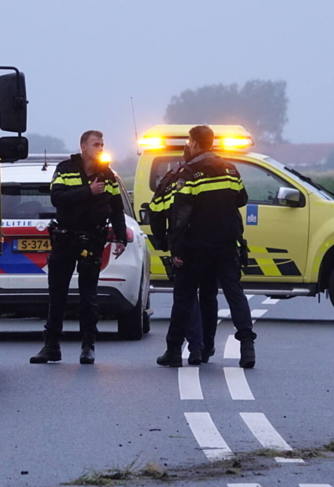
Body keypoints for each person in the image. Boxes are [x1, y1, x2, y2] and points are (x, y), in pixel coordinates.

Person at [154, 126, 256, 369]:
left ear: (194, 143)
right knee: (234, 294)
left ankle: (174, 350)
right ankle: (247, 348)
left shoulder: (189, 174)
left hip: (196, 246)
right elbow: (242, 199)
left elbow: (180, 215)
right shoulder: (230, 169)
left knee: (184, 298)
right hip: (227, 244)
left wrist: (176, 249)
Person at [30, 130, 127, 365]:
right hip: (66, 238)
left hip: (93, 239)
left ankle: (88, 346)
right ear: (83, 147)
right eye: (96, 144)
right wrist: (88, 191)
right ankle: (51, 346)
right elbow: (57, 197)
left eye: (102, 144)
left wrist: (121, 238)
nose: (100, 148)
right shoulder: (65, 169)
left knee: (88, 296)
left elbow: (117, 209)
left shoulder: (108, 175)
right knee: (57, 294)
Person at [147, 149, 220, 366]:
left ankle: (189, 348)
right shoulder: (219, 173)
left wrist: (165, 244)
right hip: (213, 246)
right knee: (208, 297)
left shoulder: (175, 178)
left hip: (186, 246)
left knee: (185, 299)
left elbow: (155, 210)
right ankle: (205, 347)